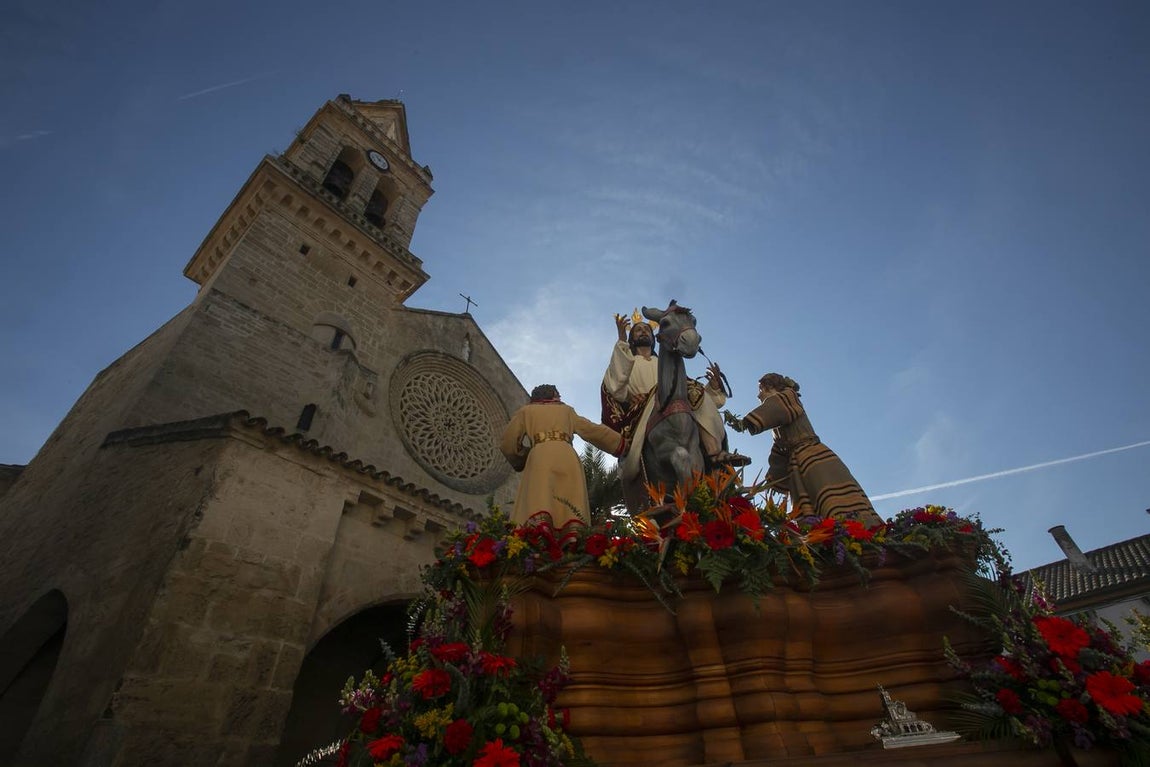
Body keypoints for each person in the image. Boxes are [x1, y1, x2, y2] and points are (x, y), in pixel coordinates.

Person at [728, 373, 883, 527]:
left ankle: (855, 532)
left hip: (812, 458)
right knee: (812, 508)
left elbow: (775, 407)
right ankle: (833, 537)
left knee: (831, 498)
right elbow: (780, 453)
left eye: (761, 389)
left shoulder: (788, 397)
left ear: (770, 387)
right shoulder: (779, 423)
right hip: (799, 464)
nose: (758, 395)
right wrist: (771, 482)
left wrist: (744, 423)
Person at [601, 311, 744, 468]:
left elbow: (684, 391)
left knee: (694, 389)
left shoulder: (663, 364)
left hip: (674, 404)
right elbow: (615, 385)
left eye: (647, 329)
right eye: (638, 330)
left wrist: (713, 388)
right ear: (631, 338)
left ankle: (714, 451)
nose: (643, 331)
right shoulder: (627, 361)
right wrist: (622, 342)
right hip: (643, 411)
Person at [500, 384, 626, 526]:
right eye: (558, 394)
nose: (560, 398)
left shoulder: (526, 411)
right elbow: (591, 430)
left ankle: (538, 535)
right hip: (567, 457)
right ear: (553, 394)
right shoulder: (566, 411)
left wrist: (522, 458)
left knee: (540, 497)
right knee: (569, 501)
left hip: (540, 456)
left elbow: (508, 443)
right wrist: (620, 443)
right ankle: (572, 536)